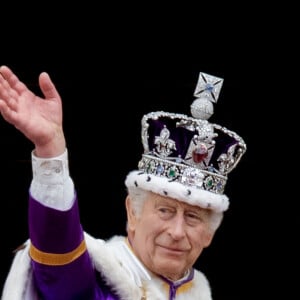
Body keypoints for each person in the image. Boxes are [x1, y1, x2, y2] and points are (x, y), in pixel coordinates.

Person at [0, 65, 246, 300]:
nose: (177, 232)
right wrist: (50, 150)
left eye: (193, 217)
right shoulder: (95, 283)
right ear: (132, 213)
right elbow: (57, 252)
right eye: (165, 210)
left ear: (209, 235)